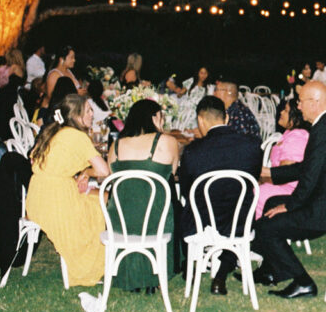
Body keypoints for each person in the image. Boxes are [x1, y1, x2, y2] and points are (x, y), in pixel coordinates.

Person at [252, 81, 326, 299]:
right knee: (271, 205)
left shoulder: (323, 129)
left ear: (315, 102)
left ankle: (303, 282)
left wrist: (289, 205)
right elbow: (307, 167)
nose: (298, 107)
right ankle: (274, 269)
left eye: (300, 102)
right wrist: (271, 174)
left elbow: (309, 179)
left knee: (266, 227)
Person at [179, 95, 264, 295]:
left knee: (182, 208)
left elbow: (186, 191)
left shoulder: (193, 151)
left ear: (200, 120)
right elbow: (252, 180)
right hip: (239, 220)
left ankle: (191, 264)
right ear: (226, 118)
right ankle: (222, 271)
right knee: (236, 214)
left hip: (203, 221)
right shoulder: (251, 146)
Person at [26, 93, 111, 286]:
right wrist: (88, 172)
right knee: (101, 202)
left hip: (36, 196)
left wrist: (76, 175)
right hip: (55, 199)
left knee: (97, 197)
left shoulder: (53, 131)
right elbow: (104, 170)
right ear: (76, 116)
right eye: (88, 110)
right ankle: (93, 264)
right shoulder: (77, 136)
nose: (92, 114)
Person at [106, 100, 179, 294]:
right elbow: (171, 173)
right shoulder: (166, 141)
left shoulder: (116, 146)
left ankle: (131, 274)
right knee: (166, 202)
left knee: (135, 208)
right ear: (155, 117)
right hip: (155, 218)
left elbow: (112, 179)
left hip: (121, 218)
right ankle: (154, 275)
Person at [255, 98, 310, 217]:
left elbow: (285, 175)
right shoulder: (289, 134)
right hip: (279, 184)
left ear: (295, 117)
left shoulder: (297, 138)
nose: (281, 113)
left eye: (285, 110)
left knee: (255, 193)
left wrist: (260, 179)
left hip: (289, 189)